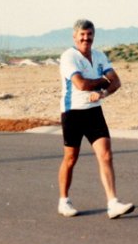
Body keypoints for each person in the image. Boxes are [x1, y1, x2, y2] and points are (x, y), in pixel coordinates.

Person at [57, 19, 134, 219]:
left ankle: (113, 203)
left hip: (93, 111)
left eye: (89, 34)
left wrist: (103, 93)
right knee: (71, 158)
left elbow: (116, 81)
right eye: (82, 35)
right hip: (72, 112)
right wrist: (103, 80)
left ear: (93, 36)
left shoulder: (99, 56)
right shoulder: (69, 57)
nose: (86, 38)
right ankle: (64, 201)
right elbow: (81, 84)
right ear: (74, 36)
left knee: (106, 155)